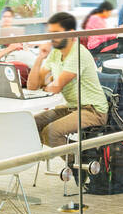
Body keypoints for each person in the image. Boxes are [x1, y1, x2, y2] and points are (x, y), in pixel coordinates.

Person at [28, 11, 110, 147]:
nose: (52, 38)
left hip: (93, 110)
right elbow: (33, 86)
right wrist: (40, 57)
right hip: (72, 107)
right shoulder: (55, 53)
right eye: (50, 33)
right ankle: (79, 153)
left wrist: (48, 84)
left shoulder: (78, 53)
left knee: (51, 132)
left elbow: (55, 87)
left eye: (56, 33)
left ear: (70, 33)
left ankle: (78, 162)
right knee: (30, 124)